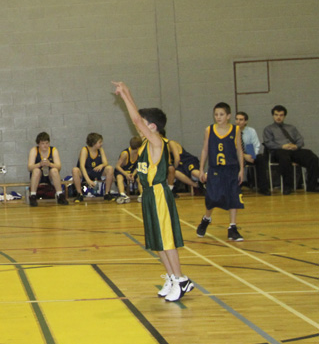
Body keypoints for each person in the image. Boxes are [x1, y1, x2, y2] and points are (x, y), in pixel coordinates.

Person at [113, 82, 193, 302]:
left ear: (153, 127)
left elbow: (136, 119)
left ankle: (181, 278)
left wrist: (124, 97)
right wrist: (126, 92)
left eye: (144, 125)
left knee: (166, 240)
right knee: (156, 240)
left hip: (158, 194)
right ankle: (171, 276)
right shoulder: (146, 142)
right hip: (148, 194)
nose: (139, 127)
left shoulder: (157, 142)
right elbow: (137, 118)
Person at [196, 102, 245, 241]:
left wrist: (241, 169)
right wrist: (201, 169)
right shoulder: (209, 130)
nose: (218, 117)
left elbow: (239, 151)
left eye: (221, 114)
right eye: (216, 114)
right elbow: (205, 149)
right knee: (212, 198)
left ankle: (232, 228)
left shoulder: (235, 130)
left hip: (231, 169)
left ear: (228, 116)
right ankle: (206, 219)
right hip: (215, 169)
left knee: (233, 198)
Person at [262, 105, 319, 193]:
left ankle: (312, 185)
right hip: (279, 151)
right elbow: (268, 143)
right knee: (284, 157)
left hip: (293, 150)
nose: (278, 117)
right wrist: (282, 146)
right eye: (276, 115)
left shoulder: (291, 128)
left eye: (281, 115)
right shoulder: (268, 129)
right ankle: (287, 186)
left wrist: (296, 146)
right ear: (273, 116)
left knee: (311, 156)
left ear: (284, 116)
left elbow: (300, 140)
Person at [71, 132, 120, 202]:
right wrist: (88, 180)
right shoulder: (84, 150)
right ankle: (79, 194)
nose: (101, 144)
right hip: (86, 171)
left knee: (110, 168)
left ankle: (107, 193)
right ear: (94, 143)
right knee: (75, 170)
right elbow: (82, 166)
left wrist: (102, 165)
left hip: (96, 171)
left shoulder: (100, 150)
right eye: (99, 142)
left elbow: (106, 162)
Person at [27, 132, 68, 206]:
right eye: (43, 143)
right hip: (38, 176)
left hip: (49, 176)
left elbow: (59, 167)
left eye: (47, 143)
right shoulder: (34, 150)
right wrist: (39, 164)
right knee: (36, 170)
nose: (45, 146)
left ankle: (60, 195)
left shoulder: (53, 150)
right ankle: (33, 196)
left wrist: (50, 164)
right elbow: (29, 167)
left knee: (54, 170)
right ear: (38, 144)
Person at [235, 111, 268, 194]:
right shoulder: (232, 131)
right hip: (237, 155)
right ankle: (237, 187)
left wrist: (253, 156)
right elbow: (232, 148)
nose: (238, 121)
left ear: (246, 121)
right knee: (235, 161)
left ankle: (263, 188)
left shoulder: (251, 131)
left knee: (261, 159)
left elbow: (256, 145)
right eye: (237, 119)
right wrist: (243, 156)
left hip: (249, 151)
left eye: (241, 120)